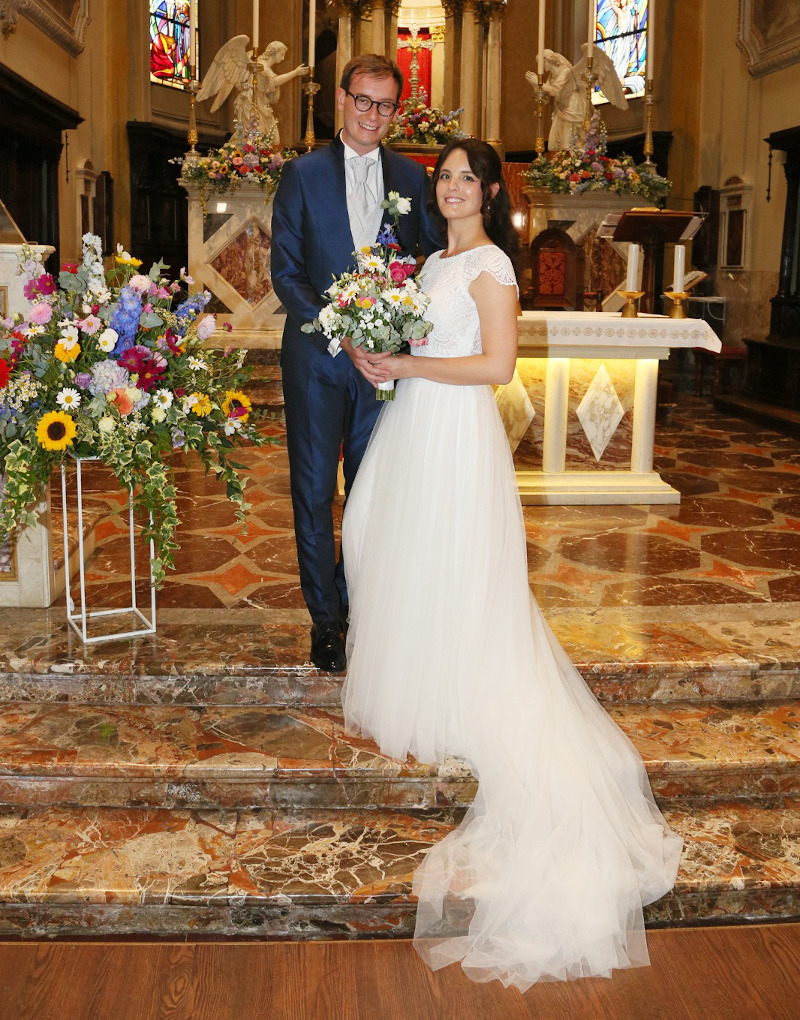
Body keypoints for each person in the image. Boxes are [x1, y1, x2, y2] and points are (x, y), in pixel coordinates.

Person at [341, 138, 682, 990]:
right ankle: (422, 671)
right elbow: (420, 342)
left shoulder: (492, 266)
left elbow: (497, 366)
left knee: (452, 559)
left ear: (491, 192)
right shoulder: (429, 264)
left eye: (468, 178)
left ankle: (459, 686)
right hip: (415, 421)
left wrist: (406, 362)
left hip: (455, 432)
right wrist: (376, 353)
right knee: (389, 542)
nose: (453, 187)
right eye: (445, 177)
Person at [271, 54, 443, 672]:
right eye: (363, 100)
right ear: (341, 99)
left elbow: (430, 258)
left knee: (373, 492)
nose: (373, 114)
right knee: (315, 489)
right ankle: (325, 620)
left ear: (397, 109)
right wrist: (341, 332)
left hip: (385, 366)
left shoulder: (413, 176)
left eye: (385, 104)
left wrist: (405, 328)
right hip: (318, 360)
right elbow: (286, 272)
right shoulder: (301, 174)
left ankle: (357, 602)